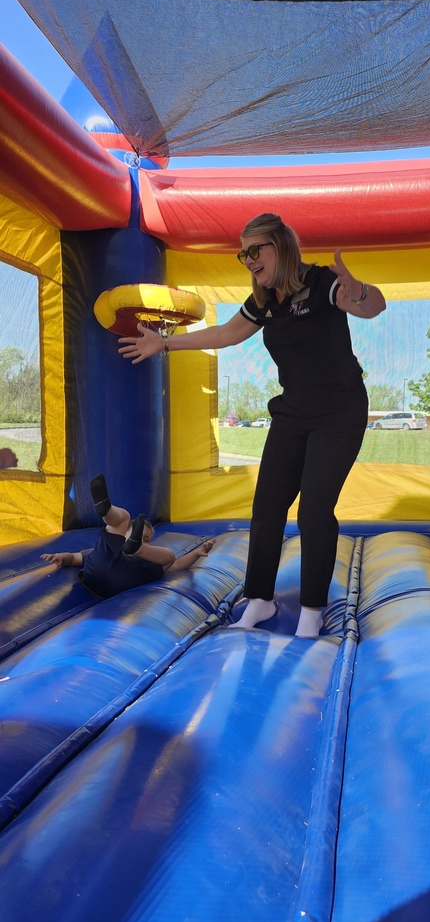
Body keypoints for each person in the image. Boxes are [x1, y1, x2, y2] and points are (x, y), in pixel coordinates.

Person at [118, 214, 386, 636]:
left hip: (339, 411)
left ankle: (312, 612)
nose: (248, 259)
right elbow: (225, 334)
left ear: (282, 246)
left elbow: (371, 307)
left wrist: (362, 292)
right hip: (293, 411)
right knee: (267, 508)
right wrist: (165, 343)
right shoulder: (264, 300)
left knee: (314, 511)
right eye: (243, 253)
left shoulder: (321, 283)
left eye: (256, 249)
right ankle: (259, 599)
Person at [41, 473, 215, 598]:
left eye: (146, 540)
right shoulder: (106, 551)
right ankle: (106, 510)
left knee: (166, 554)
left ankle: (108, 513)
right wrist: (60, 557)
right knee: (167, 554)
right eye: (140, 538)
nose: (145, 540)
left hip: (105, 575)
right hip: (116, 575)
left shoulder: (146, 561)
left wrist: (196, 553)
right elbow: (73, 558)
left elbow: (177, 565)